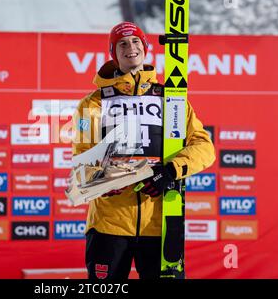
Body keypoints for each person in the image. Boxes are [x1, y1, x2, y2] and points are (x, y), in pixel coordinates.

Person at [71, 22, 216, 280]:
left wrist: (170, 171)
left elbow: (204, 147)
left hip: (158, 223)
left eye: (136, 41)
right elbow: (83, 155)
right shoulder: (94, 102)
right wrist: (101, 181)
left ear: (146, 48)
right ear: (113, 53)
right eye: (122, 44)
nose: (130, 48)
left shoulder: (170, 98)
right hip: (109, 223)